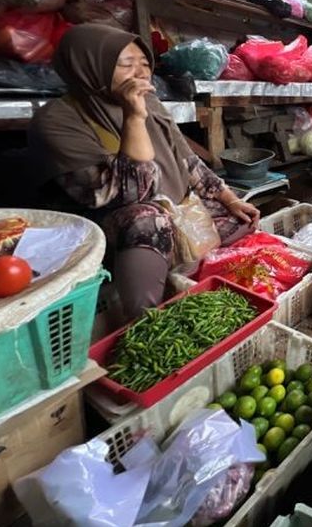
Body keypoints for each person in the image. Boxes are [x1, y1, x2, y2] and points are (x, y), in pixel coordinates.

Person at [28, 24, 260, 322]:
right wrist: (133, 118)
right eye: (126, 65)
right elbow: (126, 195)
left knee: (242, 217)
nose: (141, 73)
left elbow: (187, 160)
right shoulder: (57, 120)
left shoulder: (151, 102)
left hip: (167, 206)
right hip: (105, 226)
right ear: (88, 68)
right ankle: (144, 322)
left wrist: (230, 199)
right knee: (146, 221)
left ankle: (182, 274)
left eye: (145, 64)